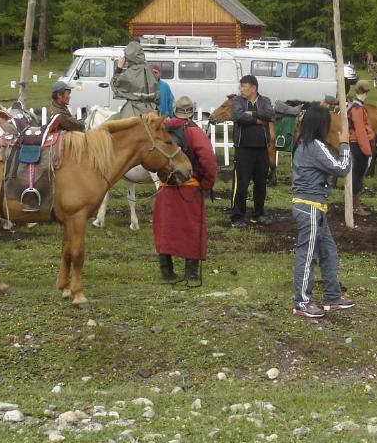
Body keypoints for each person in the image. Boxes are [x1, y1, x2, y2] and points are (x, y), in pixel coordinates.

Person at [290, 103, 354, 318]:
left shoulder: (305, 144)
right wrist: (345, 144)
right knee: (308, 256)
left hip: (316, 209)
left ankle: (333, 297)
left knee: (328, 252)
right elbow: (341, 168)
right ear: (321, 124)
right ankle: (302, 303)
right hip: (309, 209)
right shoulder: (314, 146)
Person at [153, 95, 218, 286]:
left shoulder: (163, 129)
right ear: (192, 110)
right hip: (189, 189)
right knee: (191, 231)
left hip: (166, 187)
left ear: (174, 110)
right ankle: (191, 275)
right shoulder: (195, 132)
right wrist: (206, 184)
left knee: (165, 229)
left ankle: (166, 271)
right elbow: (208, 160)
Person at [230, 74, 275, 227]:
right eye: (241, 86)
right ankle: (237, 216)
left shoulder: (265, 101)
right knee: (242, 184)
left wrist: (252, 113)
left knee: (261, 184)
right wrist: (257, 120)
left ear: (253, 88)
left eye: (244, 86)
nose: (241, 89)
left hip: (262, 149)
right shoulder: (237, 100)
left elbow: (270, 115)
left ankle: (258, 214)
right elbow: (238, 116)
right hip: (243, 149)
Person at [347, 79, 376, 217]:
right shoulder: (357, 109)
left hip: (356, 144)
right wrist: (367, 150)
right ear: (365, 92)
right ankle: (355, 207)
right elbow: (360, 132)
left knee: (356, 175)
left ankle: (354, 204)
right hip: (358, 145)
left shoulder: (354, 106)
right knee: (357, 176)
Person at [111, 40, 158, 118]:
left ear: (129, 56)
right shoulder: (150, 71)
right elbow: (157, 94)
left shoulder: (130, 73)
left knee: (109, 124)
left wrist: (119, 67)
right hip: (152, 110)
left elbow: (114, 84)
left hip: (133, 110)